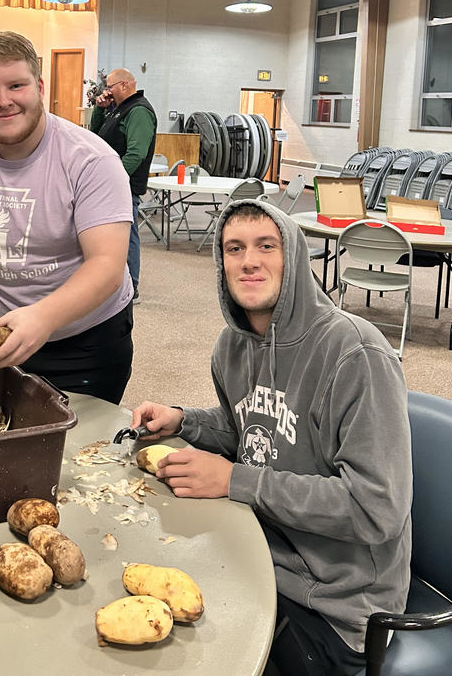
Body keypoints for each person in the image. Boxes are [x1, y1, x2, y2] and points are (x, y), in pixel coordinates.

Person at [131, 199, 411, 676]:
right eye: (234, 248)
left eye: (267, 245)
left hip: (337, 606)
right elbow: (253, 430)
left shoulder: (355, 353)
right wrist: (184, 422)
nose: (250, 261)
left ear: (295, 257)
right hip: (259, 554)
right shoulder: (231, 347)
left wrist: (234, 480)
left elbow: (376, 508)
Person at [0, 30, 135, 404]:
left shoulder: (90, 160)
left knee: (79, 452)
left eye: (16, 85)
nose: (3, 101)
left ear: (40, 87)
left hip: (87, 340)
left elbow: (107, 266)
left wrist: (43, 317)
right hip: (4, 330)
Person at [90, 68, 156, 303]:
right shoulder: (118, 110)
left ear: (125, 85)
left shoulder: (138, 111)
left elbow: (136, 153)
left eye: (110, 86)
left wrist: (114, 178)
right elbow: (95, 138)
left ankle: (132, 286)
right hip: (112, 183)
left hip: (124, 185)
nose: (107, 91)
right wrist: (99, 109)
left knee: (127, 234)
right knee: (112, 234)